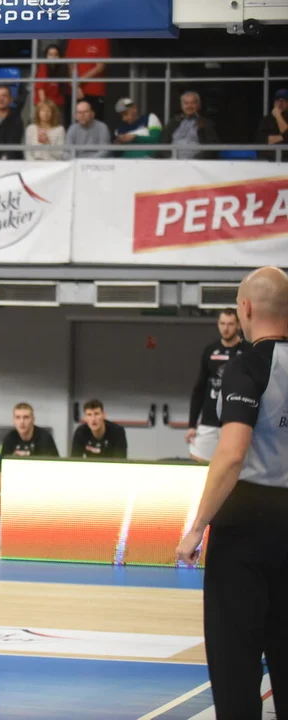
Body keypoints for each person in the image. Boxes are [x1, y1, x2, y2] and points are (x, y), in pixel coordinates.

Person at [176, 266, 288, 720]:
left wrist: (197, 526)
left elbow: (230, 456)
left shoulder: (247, 366)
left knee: (235, 659)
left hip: (247, 526)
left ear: (244, 309)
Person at [0, 402, 59, 549]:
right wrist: (5, 475)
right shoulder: (11, 438)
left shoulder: (44, 438)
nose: (22, 421)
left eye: (26, 417)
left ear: (33, 419)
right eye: (18, 417)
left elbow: (49, 470)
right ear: (14, 420)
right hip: (16, 481)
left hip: (43, 484)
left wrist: (16, 475)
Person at [186, 308, 250, 464]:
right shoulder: (210, 351)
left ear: (239, 326)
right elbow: (199, 388)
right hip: (209, 420)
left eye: (230, 324)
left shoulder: (248, 352)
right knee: (197, 463)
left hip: (235, 421)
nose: (225, 328)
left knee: (235, 466)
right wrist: (192, 424)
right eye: (222, 323)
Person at [161, 90, 219, 160]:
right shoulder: (173, 121)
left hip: (196, 164)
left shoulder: (205, 123)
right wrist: (170, 157)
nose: (189, 106)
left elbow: (212, 146)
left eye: (193, 103)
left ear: (198, 105)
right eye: (186, 103)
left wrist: (196, 160)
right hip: (172, 161)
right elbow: (163, 142)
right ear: (182, 106)